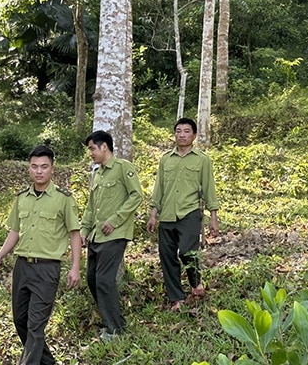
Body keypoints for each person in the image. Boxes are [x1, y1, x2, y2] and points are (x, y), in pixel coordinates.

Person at [0, 145, 81, 365]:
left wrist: (75, 267)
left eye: (44, 166)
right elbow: (15, 232)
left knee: (35, 324)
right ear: (28, 168)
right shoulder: (22, 198)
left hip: (47, 268)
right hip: (22, 266)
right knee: (20, 319)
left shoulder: (63, 199)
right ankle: (48, 362)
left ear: (52, 168)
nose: (39, 171)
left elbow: (75, 234)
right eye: (34, 166)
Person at [146, 118, 220, 312]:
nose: (182, 135)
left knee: (187, 251)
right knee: (167, 256)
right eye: (178, 131)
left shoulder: (202, 159)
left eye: (186, 131)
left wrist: (213, 216)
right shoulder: (166, 159)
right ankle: (177, 298)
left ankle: (196, 282)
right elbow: (159, 189)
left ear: (194, 136)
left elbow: (209, 188)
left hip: (190, 212)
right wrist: (153, 214)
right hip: (168, 214)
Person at [80, 130, 143, 340]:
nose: (90, 153)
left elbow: (136, 196)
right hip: (96, 236)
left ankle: (114, 330)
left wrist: (115, 220)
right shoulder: (97, 173)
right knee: (92, 278)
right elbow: (91, 207)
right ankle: (111, 319)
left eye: (92, 148)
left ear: (104, 146)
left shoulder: (123, 167)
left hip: (115, 234)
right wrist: (84, 230)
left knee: (104, 280)